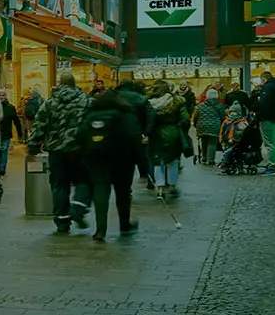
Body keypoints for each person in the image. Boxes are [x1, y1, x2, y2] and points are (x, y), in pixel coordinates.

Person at [31, 73, 93, 234]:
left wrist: (34, 145)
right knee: (84, 180)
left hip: (56, 151)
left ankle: (62, 221)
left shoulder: (50, 103)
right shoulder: (86, 101)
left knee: (59, 185)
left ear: (60, 84)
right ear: (74, 84)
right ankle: (78, 208)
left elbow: (39, 124)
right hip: (79, 149)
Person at [83, 89, 142, 241]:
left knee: (100, 191)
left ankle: (100, 230)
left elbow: (80, 135)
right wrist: (141, 160)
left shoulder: (91, 114)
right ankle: (124, 224)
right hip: (122, 159)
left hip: (97, 160)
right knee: (122, 192)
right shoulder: (126, 114)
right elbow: (134, 137)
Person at [146, 82, 186, 198]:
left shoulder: (149, 103)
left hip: (156, 134)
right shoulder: (177, 101)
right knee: (173, 161)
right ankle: (172, 186)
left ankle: (160, 188)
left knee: (158, 162)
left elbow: (146, 119)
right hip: (173, 133)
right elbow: (185, 119)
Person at [194, 89, 228, 165]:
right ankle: (210, 160)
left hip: (202, 126)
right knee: (212, 143)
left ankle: (204, 158)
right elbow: (223, 117)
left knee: (204, 141)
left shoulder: (201, 105)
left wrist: (196, 125)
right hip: (214, 127)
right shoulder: (219, 106)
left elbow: (196, 117)